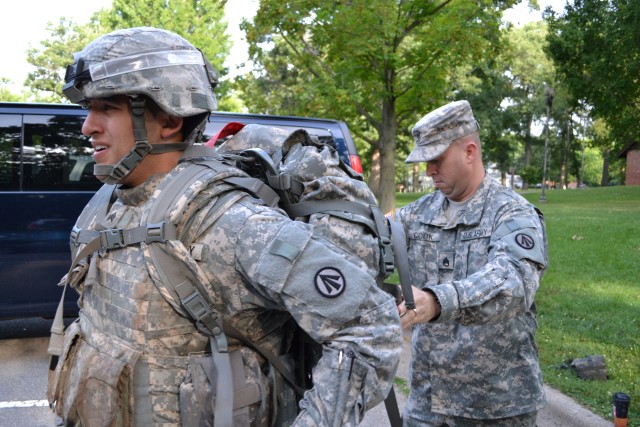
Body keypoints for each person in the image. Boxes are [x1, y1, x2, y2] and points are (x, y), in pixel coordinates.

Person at [46, 26, 402, 427]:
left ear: (168, 118)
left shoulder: (228, 223)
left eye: (106, 108)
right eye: (88, 109)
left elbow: (369, 327)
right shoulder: (106, 206)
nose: (87, 126)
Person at [392, 100, 548, 427]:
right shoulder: (416, 214)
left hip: (499, 406)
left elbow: (513, 284)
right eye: (425, 161)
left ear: (469, 151)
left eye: (436, 159)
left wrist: (436, 302)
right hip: (429, 402)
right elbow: (372, 241)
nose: (429, 170)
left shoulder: (513, 213)